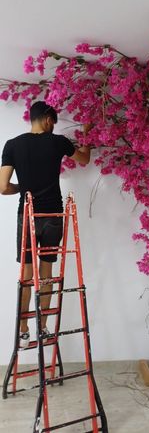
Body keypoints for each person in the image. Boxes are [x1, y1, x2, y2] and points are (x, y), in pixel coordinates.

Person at [0, 101, 91, 348]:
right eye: (54, 121)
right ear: (48, 119)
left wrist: (24, 188)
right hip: (52, 216)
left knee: (27, 276)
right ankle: (43, 328)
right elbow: (84, 159)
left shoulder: (12, 145)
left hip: (27, 216)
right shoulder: (58, 142)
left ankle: (23, 329)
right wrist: (87, 137)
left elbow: (3, 187)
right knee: (47, 274)